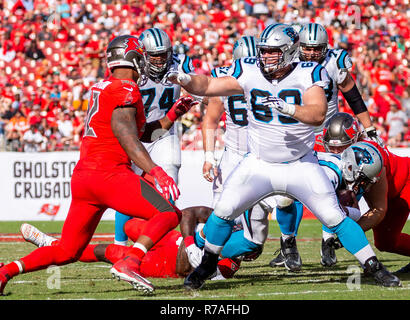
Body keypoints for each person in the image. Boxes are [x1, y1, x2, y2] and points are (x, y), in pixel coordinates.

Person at [167, 24, 400, 289]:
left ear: (289, 52)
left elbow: (317, 114)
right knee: (223, 212)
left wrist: (288, 108)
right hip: (258, 164)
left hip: (299, 164)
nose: (265, 57)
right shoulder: (250, 70)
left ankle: (374, 266)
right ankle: (207, 265)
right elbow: (209, 84)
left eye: (272, 52)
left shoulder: (310, 72)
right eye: (263, 51)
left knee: (334, 217)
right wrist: (185, 80)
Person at [0, 35, 197, 296]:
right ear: (135, 59)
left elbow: (142, 133)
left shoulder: (102, 87)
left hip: (84, 177)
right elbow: (125, 133)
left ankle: (5, 272)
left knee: (68, 251)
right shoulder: (126, 88)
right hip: (109, 174)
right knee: (169, 214)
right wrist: (155, 170)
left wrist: (173, 114)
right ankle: (130, 261)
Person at [270, 22, 383, 270]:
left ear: (326, 47)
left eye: (316, 48)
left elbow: (353, 97)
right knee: (287, 193)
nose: (311, 53)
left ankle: (327, 240)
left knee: (333, 189)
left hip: (326, 135)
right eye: (307, 48)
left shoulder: (334, 62)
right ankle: (288, 243)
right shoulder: (286, 61)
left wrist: (370, 128)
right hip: (294, 133)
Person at [113, 27, 198, 247]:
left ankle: (159, 240)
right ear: (143, 54)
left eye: (164, 54)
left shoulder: (179, 63)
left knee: (169, 183)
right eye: (154, 55)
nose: (160, 60)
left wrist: (188, 82)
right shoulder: (132, 67)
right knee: (127, 189)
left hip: (163, 133)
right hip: (135, 134)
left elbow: (198, 87)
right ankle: (120, 244)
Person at [19, 205, 263, 280]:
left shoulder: (236, 253)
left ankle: (50, 244)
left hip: (166, 262)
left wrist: (196, 254)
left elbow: (189, 271)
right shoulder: (225, 212)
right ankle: (56, 245)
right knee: (129, 224)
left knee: (109, 251)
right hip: (173, 239)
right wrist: (191, 241)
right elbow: (187, 214)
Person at [202, 35, 271, 258]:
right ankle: (201, 253)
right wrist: (209, 157)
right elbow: (211, 120)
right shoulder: (226, 79)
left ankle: (289, 246)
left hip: (263, 156)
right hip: (236, 154)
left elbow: (211, 121)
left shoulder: (272, 77)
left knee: (255, 232)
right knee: (223, 217)